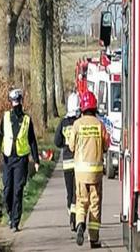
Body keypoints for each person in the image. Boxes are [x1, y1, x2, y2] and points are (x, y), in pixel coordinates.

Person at [0, 88, 40, 232]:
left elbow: (32, 140)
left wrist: (36, 160)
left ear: (21, 101)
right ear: (10, 103)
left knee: (18, 190)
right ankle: (10, 213)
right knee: (7, 190)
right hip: (7, 158)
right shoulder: (6, 117)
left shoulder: (26, 120)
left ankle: (15, 221)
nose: (16, 105)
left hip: (21, 159)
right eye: (13, 102)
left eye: (17, 102)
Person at [68, 90, 109, 248]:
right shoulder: (100, 125)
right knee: (95, 204)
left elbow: (71, 146)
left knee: (81, 202)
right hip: (96, 173)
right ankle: (94, 239)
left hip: (80, 173)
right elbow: (106, 145)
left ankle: (79, 224)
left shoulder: (77, 125)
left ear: (82, 107)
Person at [54, 91, 81, 231]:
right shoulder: (80, 122)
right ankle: (74, 217)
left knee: (69, 191)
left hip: (67, 162)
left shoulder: (63, 123)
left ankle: (71, 215)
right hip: (79, 162)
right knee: (77, 192)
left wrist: (65, 145)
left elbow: (57, 141)